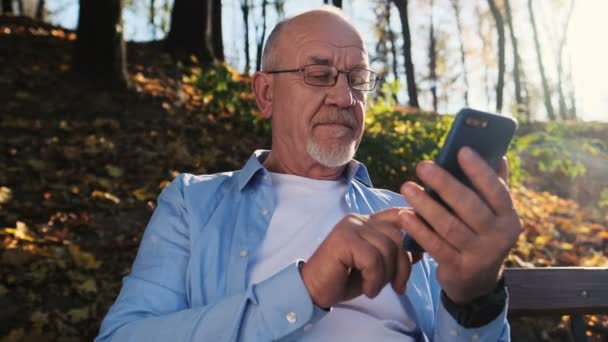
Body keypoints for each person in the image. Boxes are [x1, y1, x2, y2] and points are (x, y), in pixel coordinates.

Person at [96, 7, 521, 342]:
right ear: (265, 94)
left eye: (357, 79)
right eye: (318, 75)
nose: (343, 96)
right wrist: (306, 288)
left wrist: (474, 299)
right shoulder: (193, 202)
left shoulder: (409, 215)